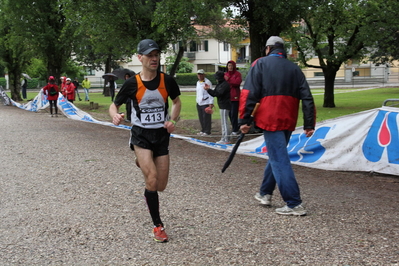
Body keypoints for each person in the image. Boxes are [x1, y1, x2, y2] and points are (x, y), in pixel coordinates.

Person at [109, 39, 181, 243]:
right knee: (150, 179)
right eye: (149, 55)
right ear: (140, 58)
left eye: (156, 54)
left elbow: (176, 102)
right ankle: (158, 226)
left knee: (161, 185)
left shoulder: (167, 81)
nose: (154, 58)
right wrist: (115, 116)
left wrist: (172, 120)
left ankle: (141, 161)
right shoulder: (132, 83)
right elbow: (114, 105)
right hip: (141, 134)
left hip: (161, 135)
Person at [239, 36, 316, 216]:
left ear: (268, 49)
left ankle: (294, 203)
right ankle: (265, 193)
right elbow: (307, 97)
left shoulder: (260, 64)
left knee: (279, 158)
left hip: (270, 118)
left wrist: (245, 120)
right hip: (288, 118)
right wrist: (309, 123)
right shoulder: (295, 68)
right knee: (277, 154)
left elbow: (249, 93)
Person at [205, 71, 231, 144]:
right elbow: (214, 94)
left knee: (225, 122)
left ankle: (226, 138)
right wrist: (208, 90)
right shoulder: (219, 84)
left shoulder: (225, 85)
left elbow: (219, 93)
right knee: (223, 122)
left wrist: (208, 90)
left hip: (225, 104)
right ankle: (224, 137)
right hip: (221, 104)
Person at [225, 60, 242, 135]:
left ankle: (235, 129)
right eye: (229, 66)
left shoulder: (237, 74)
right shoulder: (225, 74)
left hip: (235, 97)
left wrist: (229, 80)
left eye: (231, 65)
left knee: (234, 113)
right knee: (229, 114)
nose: (230, 67)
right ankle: (235, 127)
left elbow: (237, 83)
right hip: (228, 97)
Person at [195, 69, 214, 136]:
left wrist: (211, 103)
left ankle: (207, 131)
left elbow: (210, 92)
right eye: (199, 74)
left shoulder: (207, 82)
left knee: (206, 117)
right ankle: (203, 129)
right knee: (201, 117)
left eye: (201, 74)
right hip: (199, 102)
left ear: (204, 75)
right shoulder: (198, 82)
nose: (200, 76)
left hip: (206, 102)